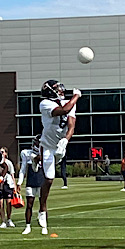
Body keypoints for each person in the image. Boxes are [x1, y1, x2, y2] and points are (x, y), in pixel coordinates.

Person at [36, 79, 81, 235]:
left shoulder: (68, 102)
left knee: (54, 168)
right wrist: (76, 96)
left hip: (60, 145)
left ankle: (37, 159)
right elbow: (63, 111)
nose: (61, 89)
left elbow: (72, 125)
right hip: (47, 146)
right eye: (57, 88)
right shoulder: (45, 104)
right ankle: (42, 209)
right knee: (49, 179)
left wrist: (66, 140)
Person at [19, 138, 45, 234]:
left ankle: (44, 226)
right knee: (29, 205)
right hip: (31, 181)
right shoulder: (27, 153)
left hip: (41, 182)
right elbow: (23, 168)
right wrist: (19, 183)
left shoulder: (45, 154)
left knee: (43, 205)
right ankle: (28, 226)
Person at [0, 147, 16, 229]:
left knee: (8, 203)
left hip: (8, 184)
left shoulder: (8, 163)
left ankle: (9, 219)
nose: (1, 153)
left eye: (3, 152)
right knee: (0, 203)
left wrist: (15, 186)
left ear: (6, 154)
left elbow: (12, 175)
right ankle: (3, 221)